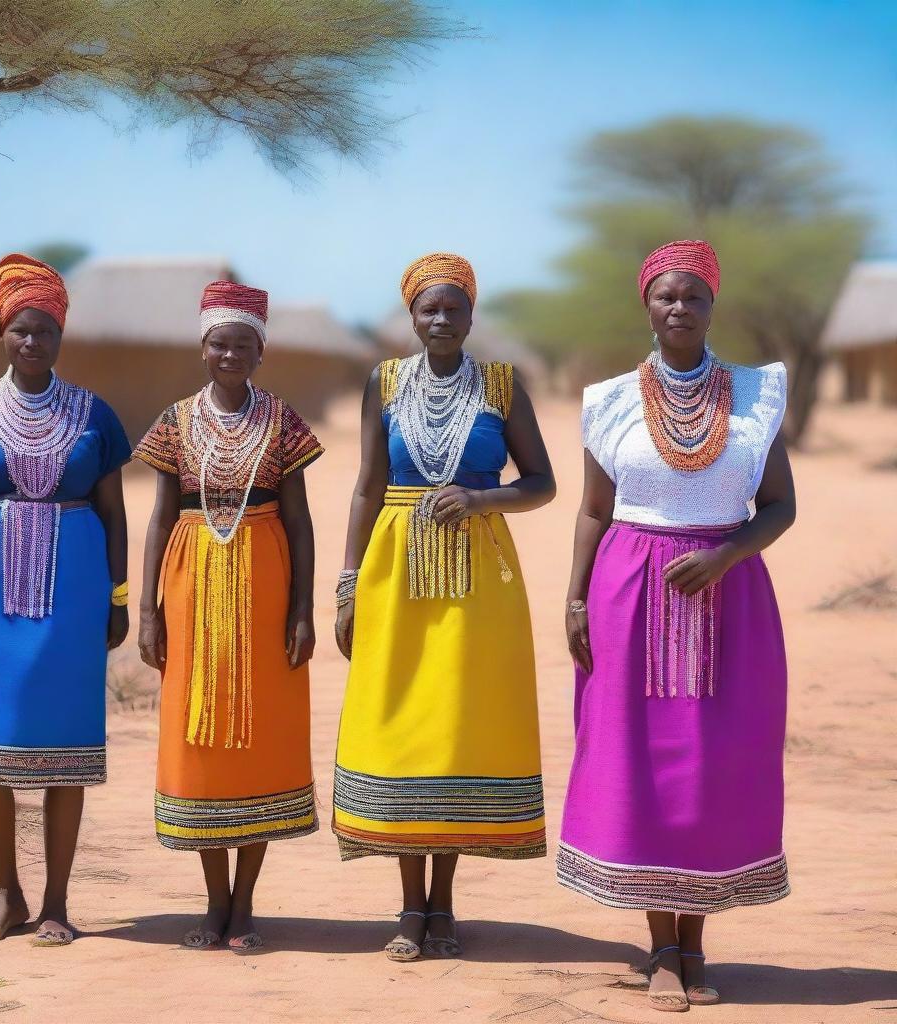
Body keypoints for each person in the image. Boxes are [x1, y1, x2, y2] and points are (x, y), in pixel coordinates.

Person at [557, 240, 795, 1011]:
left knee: (714, 766)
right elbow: (594, 509)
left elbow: (780, 505)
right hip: (629, 596)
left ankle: (699, 942)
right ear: (647, 305)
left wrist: (725, 556)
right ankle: (663, 947)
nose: (680, 308)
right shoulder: (611, 401)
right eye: (667, 296)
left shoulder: (757, 395)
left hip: (731, 602)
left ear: (712, 304)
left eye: (694, 296)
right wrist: (575, 598)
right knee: (642, 766)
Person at [333, 253, 556, 961]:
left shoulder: (501, 385)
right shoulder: (385, 383)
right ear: (411, 317)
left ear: (470, 316)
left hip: (479, 579)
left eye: (453, 309)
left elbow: (543, 482)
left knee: (456, 727)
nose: (440, 320)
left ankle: (446, 905)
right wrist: (347, 584)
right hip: (395, 573)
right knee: (404, 727)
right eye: (428, 309)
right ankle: (408, 907)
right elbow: (368, 486)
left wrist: (484, 497)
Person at [0, 253, 131, 947]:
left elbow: (113, 511)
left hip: (72, 600)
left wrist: (119, 596)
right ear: (1, 333)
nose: (32, 342)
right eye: (20, 329)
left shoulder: (92, 414)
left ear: (60, 335)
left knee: (64, 746)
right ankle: (5, 895)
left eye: (44, 330)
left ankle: (56, 904)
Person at [135, 280, 321, 954]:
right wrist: (150, 611)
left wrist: (301, 607)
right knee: (200, 740)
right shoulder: (174, 421)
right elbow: (159, 517)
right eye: (220, 342)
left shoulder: (282, 420)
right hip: (191, 589)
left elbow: (299, 521)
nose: (230, 353)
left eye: (244, 343)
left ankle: (246, 904)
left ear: (260, 351)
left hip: (266, 587)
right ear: (203, 348)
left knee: (260, 738)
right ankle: (214, 899)